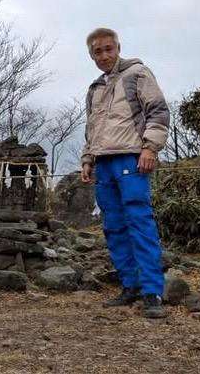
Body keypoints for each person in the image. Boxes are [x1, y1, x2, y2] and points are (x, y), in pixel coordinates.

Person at [80, 27, 170, 319]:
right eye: (97, 51)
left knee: (139, 221)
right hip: (103, 163)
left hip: (131, 157)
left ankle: (152, 291)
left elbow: (158, 111)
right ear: (91, 56)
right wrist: (87, 159)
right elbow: (92, 128)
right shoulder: (94, 88)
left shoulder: (137, 73)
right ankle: (130, 285)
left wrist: (150, 148)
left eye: (109, 49)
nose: (104, 55)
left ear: (118, 47)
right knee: (114, 226)